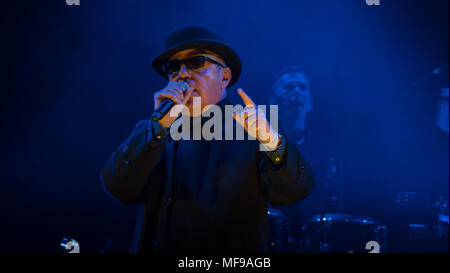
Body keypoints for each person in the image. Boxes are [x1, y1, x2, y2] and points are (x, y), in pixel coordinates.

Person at [100, 26, 315, 253]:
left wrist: (272, 142)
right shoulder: (152, 130)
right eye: (173, 67)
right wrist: (156, 130)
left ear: (224, 77)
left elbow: (297, 190)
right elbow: (116, 187)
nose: (182, 74)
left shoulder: (254, 128)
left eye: (196, 62)